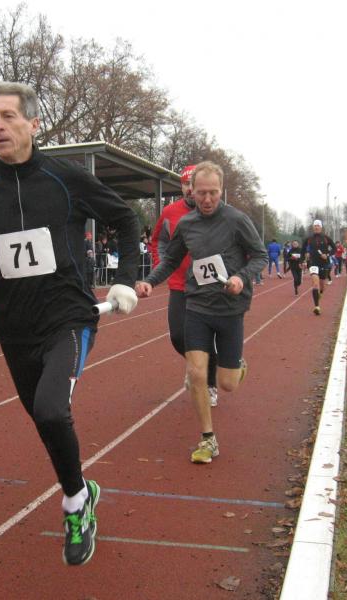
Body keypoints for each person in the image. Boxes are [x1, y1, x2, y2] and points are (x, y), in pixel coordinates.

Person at [0, 81, 140, 566]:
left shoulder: (66, 179)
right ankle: (81, 488)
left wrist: (125, 279)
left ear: (33, 123)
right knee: (44, 419)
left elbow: (126, 220)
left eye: (7, 116)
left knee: (50, 410)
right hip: (13, 327)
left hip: (68, 317)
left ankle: (75, 505)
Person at [136, 161, 266, 464]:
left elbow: (259, 256)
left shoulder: (237, 220)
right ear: (191, 191)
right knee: (196, 372)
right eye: (202, 192)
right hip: (197, 305)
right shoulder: (187, 224)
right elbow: (171, 260)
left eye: (213, 193)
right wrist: (150, 281)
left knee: (228, 384)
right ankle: (208, 439)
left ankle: (237, 365)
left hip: (230, 307)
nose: (207, 199)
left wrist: (240, 278)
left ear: (221, 191)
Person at [150, 165, 220, 407]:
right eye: (186, 184)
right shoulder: (170, 212)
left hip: (209, 286)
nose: (190, 189)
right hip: (179, 283)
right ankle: (196, 364)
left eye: (194, 184)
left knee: (207, 337)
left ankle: (210, 384)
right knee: (178, 336)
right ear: (181, 186)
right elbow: (158, 241)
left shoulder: (217, 212)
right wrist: (161, 265)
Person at [302, 220, 335, 315]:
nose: (316, 227)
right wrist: (301, 261)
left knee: (322, 286)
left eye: (318, 226)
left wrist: (327, 255)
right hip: (313, 263)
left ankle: (319, 293)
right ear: (313, 227)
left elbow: (334, 249)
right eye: (315, 226)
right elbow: (302, 250)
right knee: (315, 283)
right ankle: (317, 307)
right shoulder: (308, 239)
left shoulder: (326, 238)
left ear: (321, 227)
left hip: (324, 264)